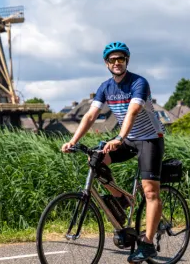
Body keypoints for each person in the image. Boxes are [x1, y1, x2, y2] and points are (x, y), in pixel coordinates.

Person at [61, 41, 165, 263]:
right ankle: (121, 199)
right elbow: (90, 116)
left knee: (150, 191)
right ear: (106, 63)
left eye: (121, 59)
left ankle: (147, 245)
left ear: (126, 61)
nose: (117, 63)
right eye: (112, 59)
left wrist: (118, 138)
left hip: (149, 140)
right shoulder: (105, 87)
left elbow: (133, 111)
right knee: (96, 160)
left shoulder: (139, 82)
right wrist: (73, 140)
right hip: (127, 139)